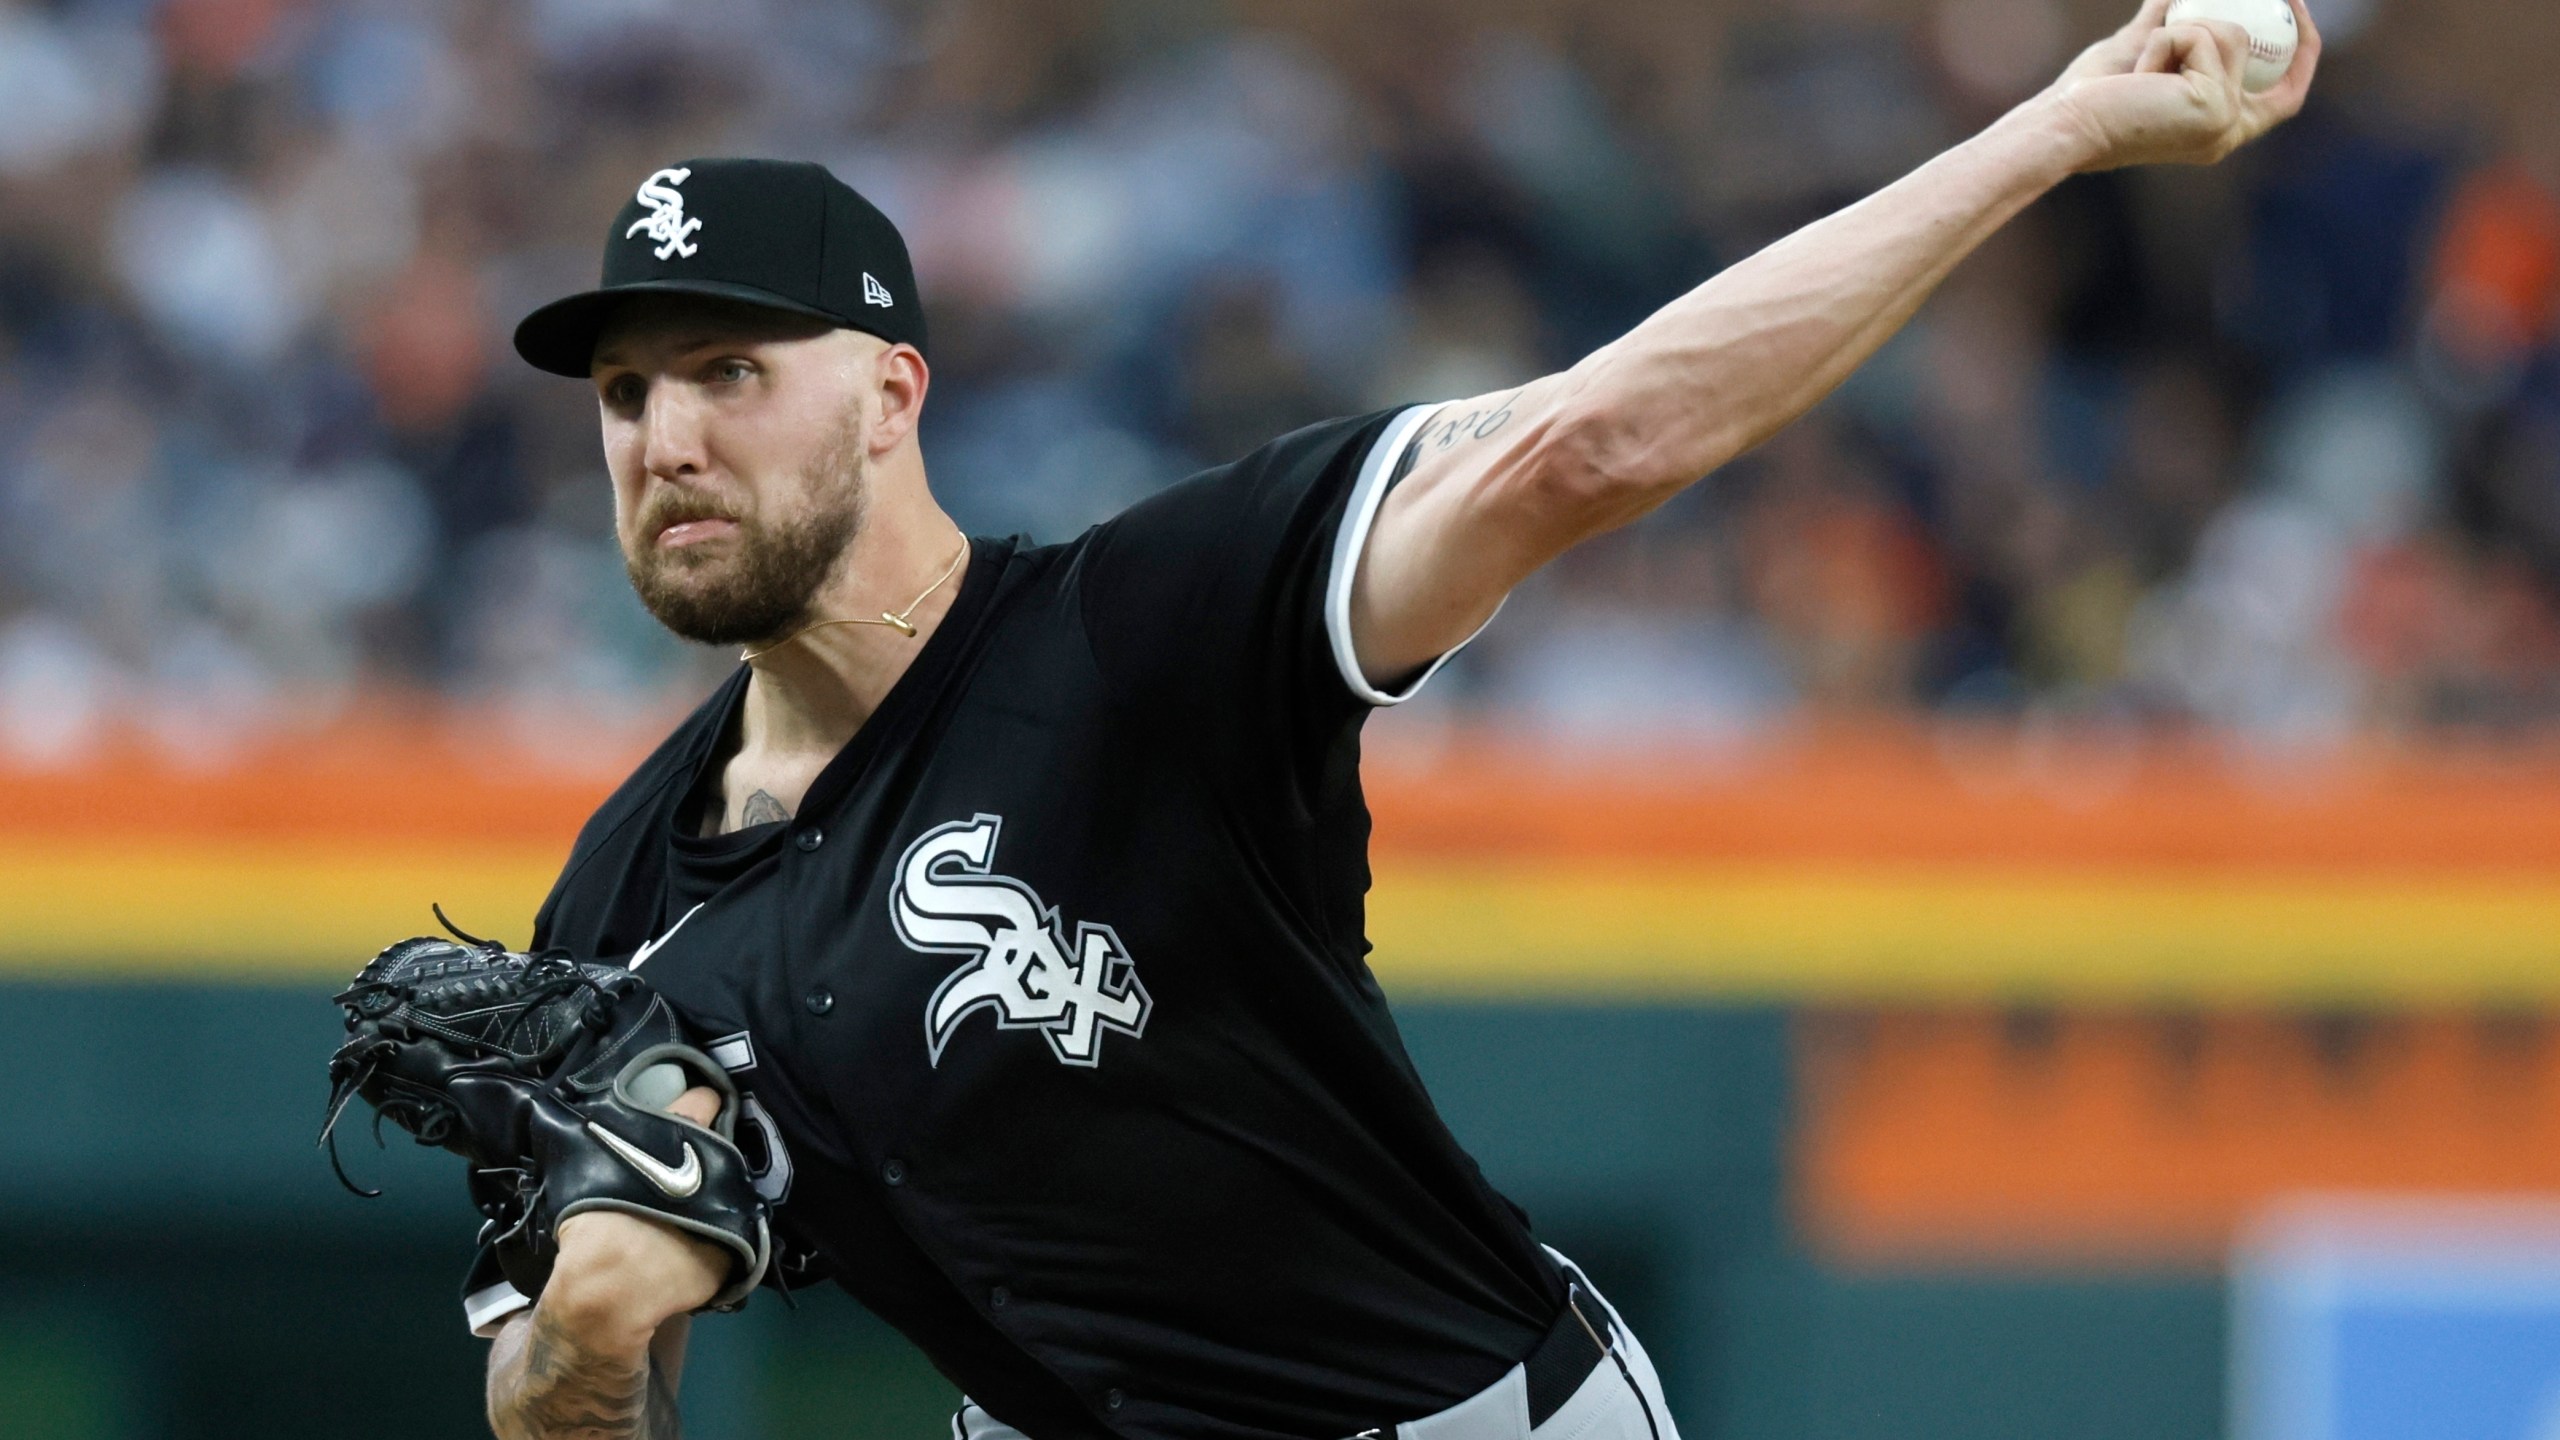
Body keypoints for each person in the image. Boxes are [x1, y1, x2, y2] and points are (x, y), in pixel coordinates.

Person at [472, 4, 2317, 1436]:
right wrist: (585, 1329)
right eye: (627, 393)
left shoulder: (1141, 632)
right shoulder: (616, 913)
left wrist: (2059, 127)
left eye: (730, 369)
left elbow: (1590, 442)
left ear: (890, 394)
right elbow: (552, 1393)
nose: (671, 439)